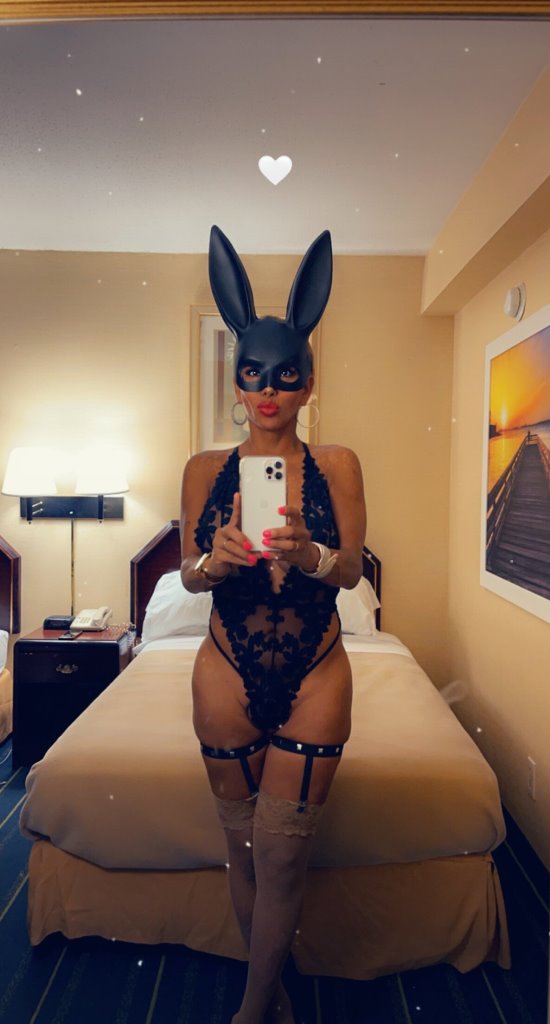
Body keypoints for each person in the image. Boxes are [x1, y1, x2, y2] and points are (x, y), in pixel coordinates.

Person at [180, 226, 366, 1024]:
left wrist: (313, 554)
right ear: (237, 379)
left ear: (307, 385)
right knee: (244, 847)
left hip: (316, 670)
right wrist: (215, 562)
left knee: (284, 854)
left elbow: (352, 571)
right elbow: (185, 575)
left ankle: (253, 1008)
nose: (267, 391)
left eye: (285, 376)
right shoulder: (202, 470)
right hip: (225, 669)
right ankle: (273, 992)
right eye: (252, 373)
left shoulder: (339, 465)